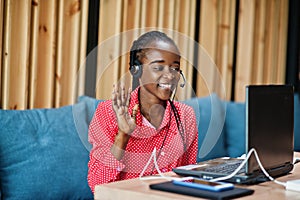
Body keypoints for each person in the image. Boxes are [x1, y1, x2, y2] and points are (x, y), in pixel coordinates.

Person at [87, 30, 198, 193]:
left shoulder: (185, 116)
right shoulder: (107, 113)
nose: (169, 76)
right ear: (136, 70)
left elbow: (188, 177)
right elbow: (97, 185)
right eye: (159, 67)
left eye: (175, 68)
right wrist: (123, 135)